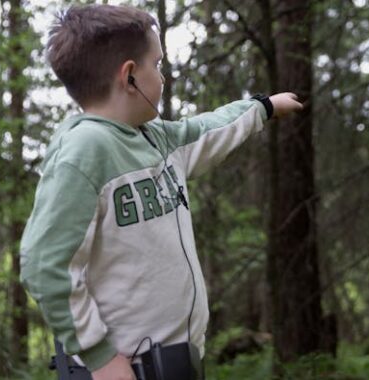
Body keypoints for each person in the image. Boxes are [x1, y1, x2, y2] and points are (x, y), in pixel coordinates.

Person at [19, 4, 303, 380]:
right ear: (130, 76)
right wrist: (100, 357)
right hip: (125, 371)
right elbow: (44, 264)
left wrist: (263, 108)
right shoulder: (84, 151)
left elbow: (208, 129)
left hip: (178, 362)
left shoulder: (157, 138)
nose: (163, 76)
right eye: (158, 64)